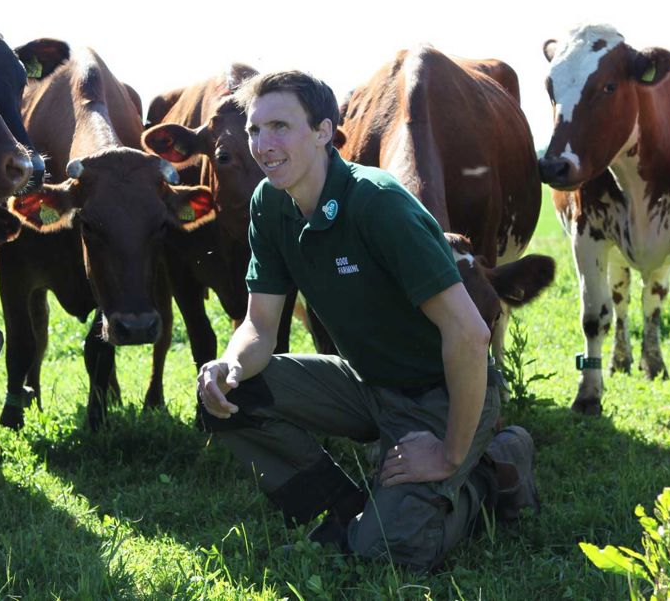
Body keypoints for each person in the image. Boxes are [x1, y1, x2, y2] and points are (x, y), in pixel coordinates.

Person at [196, 70, 539, 571]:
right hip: (367, 383)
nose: (263, 145)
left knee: (390, 553)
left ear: (322, 131)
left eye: (280, 127)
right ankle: (345, 508)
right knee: (230, 396)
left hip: (442, 390)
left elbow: (470, 335)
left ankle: (491, 468)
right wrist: (228, 364)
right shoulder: (269, 205)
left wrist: (447, 453)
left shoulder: (376, 203)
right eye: (254, 130)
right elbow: (259, 327)